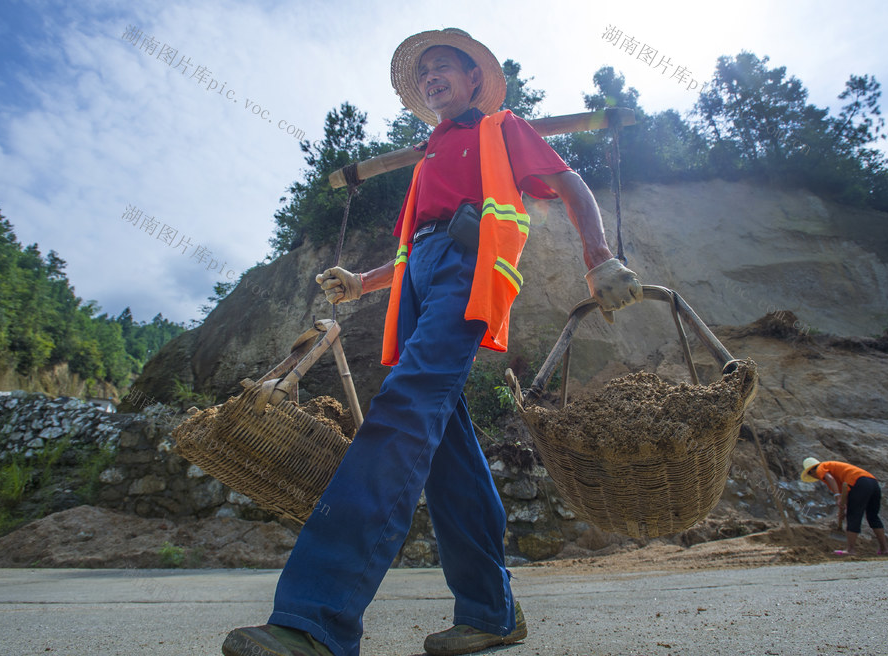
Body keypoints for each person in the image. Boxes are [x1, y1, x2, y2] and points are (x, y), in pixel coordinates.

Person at [222, 28, 642, 656]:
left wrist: (600, 258)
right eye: (423, 75)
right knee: (446, 446)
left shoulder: (500, 128)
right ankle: (491, 612)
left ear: (475, 79)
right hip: (422, 277)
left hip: (467, 273)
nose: (430, 78)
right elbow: (415, 246)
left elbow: (570, 185)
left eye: (443, 67)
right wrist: (362, 282)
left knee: (403, 409)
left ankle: (315, 619)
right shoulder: (429, 157)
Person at [800, 457, 888, 556]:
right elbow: (846, 494)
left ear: (812, 470)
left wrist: (837, 496)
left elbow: (830, 479)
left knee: (853, 516)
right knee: (873, 516)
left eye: (810, 474)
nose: (816, 477)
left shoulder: (820, 468)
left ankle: (850, 550)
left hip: (859, 483)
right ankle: (884, 549)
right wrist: (843, 510)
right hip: (873, 483)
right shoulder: (836, 469)